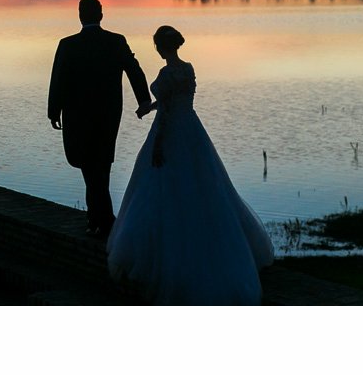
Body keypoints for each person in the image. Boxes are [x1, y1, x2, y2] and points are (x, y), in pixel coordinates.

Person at [107, 25, 274, 304]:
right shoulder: (188, 69)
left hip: (171, 132)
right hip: (192, 130)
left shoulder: (165, 73)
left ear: (163, 46)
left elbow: (169, 110)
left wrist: (158, 146)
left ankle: (162, 257)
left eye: (157, 45)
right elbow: (172, 102)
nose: (157, 49)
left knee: (164, 188)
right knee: (204, 187)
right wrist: (148, 108)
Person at [48, 0, 152, 237]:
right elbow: (134, 70)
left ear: (80, 16)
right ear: (101, 16)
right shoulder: (116, 41)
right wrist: (144, 100)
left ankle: (99, 220)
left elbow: (58, 79)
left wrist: (54, 111)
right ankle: (100, 218)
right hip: (108, 113)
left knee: (88, 163)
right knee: (101, 163)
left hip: (77, 114)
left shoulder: (68, 44)